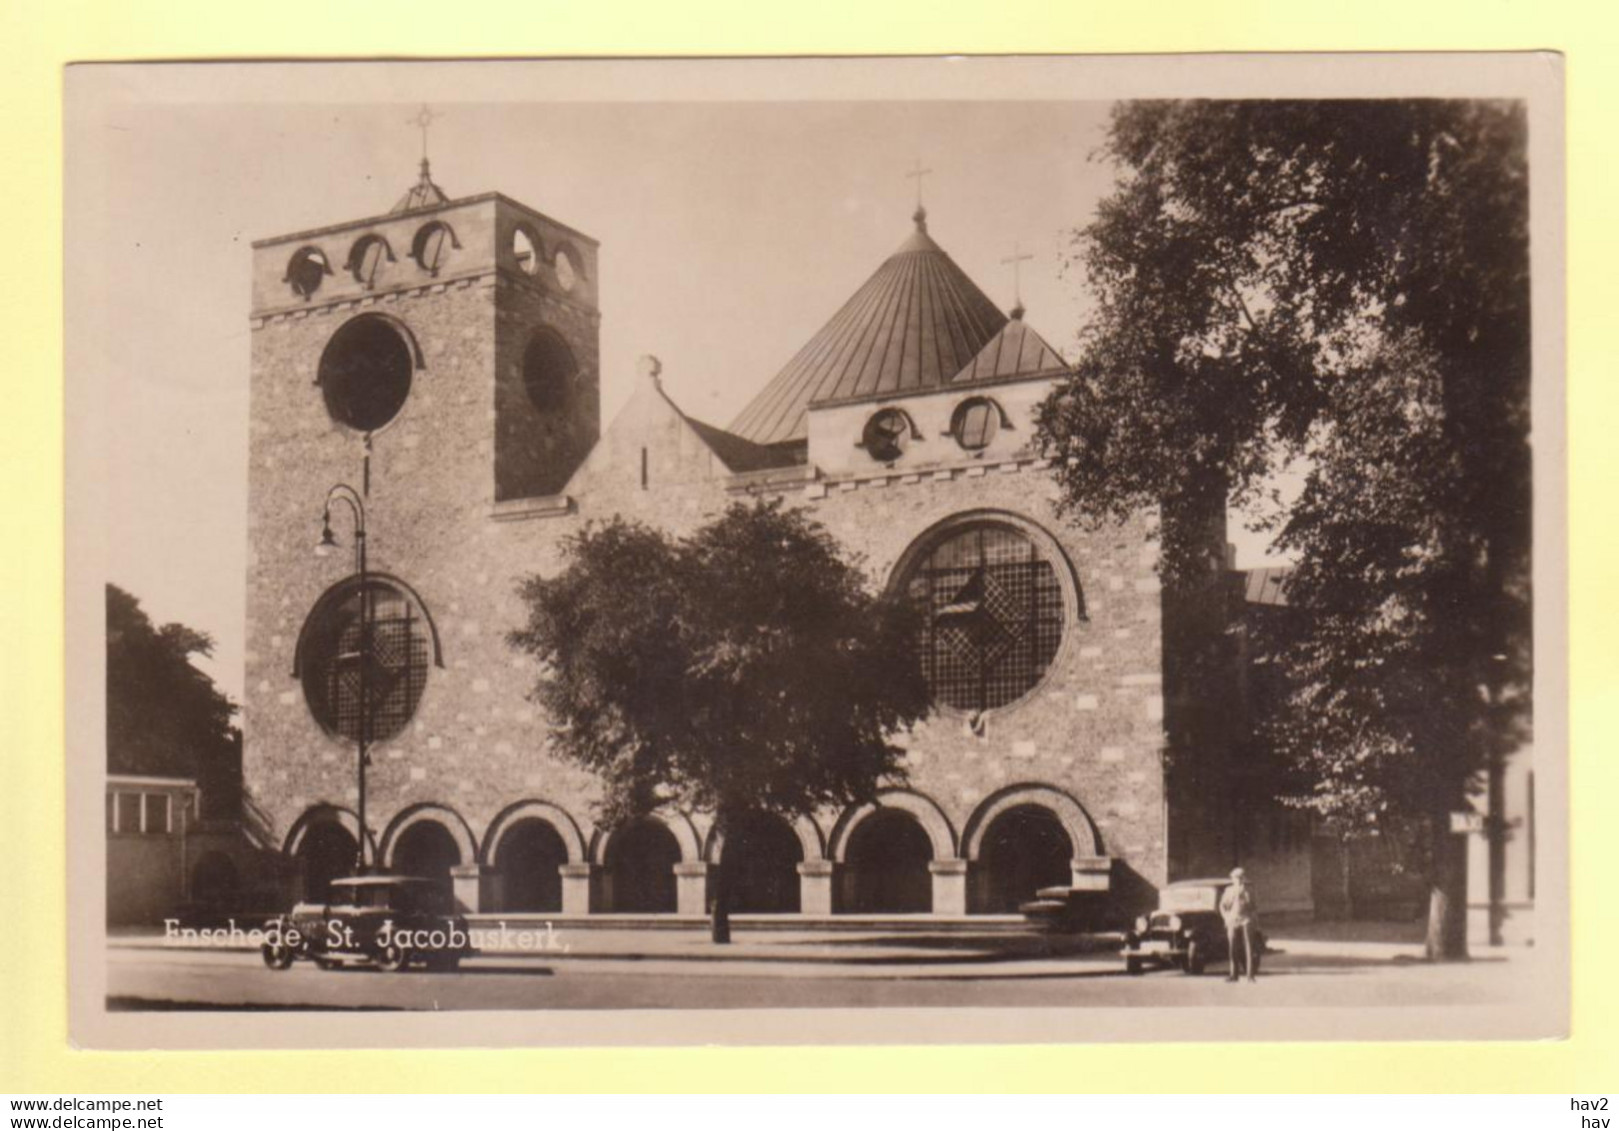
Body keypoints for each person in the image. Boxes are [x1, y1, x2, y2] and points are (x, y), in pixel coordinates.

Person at [1219, 867, 1258, 983]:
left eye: (1241, 878)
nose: (1239, 880)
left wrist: (1254, 920)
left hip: (1246, 919)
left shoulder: (1249, 890)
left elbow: (1254, 907)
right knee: (1233, 948)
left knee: (1249, 947)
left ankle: (1250, 975)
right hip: (1232, 920)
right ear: (1232, 879)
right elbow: (1222, 905)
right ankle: (1233, 974)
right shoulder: (1228, 890)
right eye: (1236, 878)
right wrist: (1226, 917)